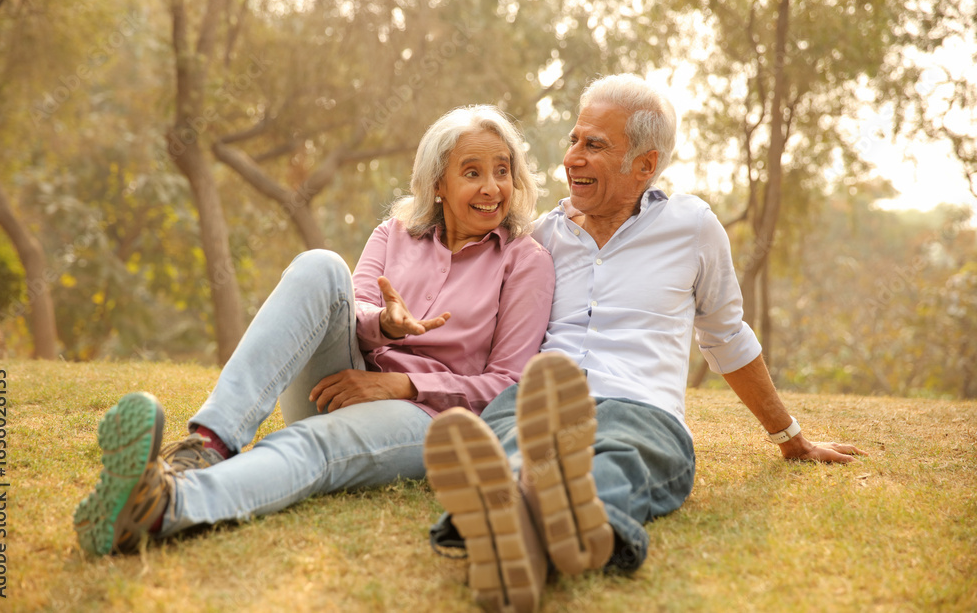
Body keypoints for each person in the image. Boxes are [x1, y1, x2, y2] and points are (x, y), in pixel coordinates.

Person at [422, 74, 868, 612]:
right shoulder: (540, 237)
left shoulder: (692, 227)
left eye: (595, 146)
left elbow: (726, 336)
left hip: (641, 408)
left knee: (619, 461)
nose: (573, 158)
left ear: (646, 164)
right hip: (541, 398)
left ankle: (520, 518)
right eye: (574, 139)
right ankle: (532, 512)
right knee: (516, 440)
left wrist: (790, 437)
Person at [73, 105, 556, 556]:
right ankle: (209, 444)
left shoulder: (524, 261)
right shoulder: (394, 234)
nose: (493, 187)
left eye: (503, 171)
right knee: (322, 265)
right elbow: (355, 306)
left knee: (311, 446)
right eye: (473, 173)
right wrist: (383, 324)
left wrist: (404, 383)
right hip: (340, 382)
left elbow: (506, 387)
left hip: (428, 417)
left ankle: (162, 507)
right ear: (437, 184)